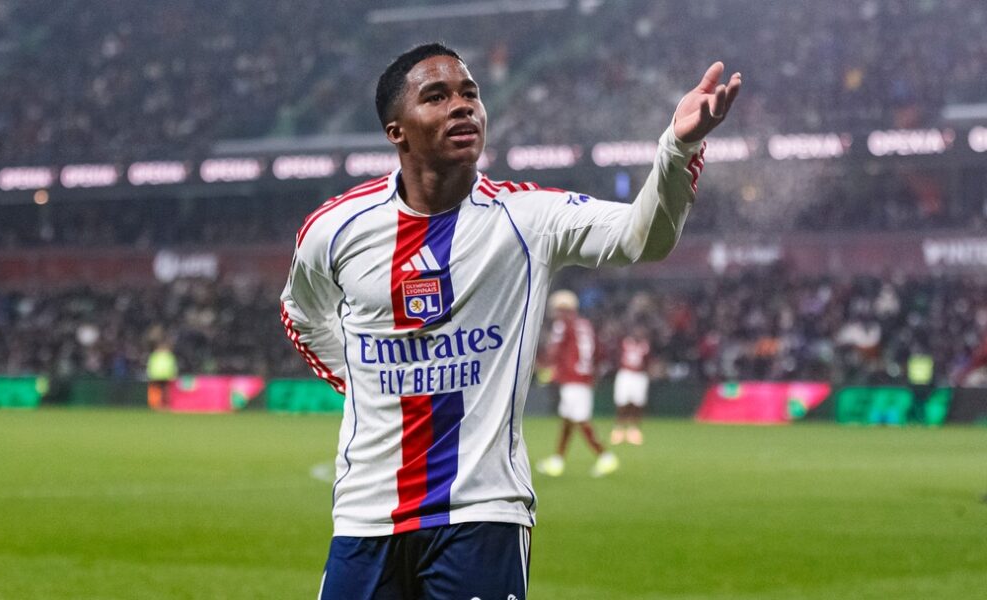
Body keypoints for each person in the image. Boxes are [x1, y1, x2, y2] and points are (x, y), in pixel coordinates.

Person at [280, 42, 740, 600]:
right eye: (437, 96)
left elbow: (642, 237)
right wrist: (358, 381)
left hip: (483, 512)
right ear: (396, 130)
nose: (462, 106)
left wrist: (678, 146)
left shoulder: (527, 218)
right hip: (366, 514)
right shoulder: (336, 230)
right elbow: (300, 313)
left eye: (470, 94)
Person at [536, 290, 619, 477]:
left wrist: (544, 366)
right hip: (584, 377)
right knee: (568, 419)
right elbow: (598, 352)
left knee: (580, 420)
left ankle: (605, 457)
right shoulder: (585, 325)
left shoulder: (563, 324)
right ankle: (557, 461)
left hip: (572, 378)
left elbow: (554, 350)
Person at [610, 324, 652, 446]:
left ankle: (634, 430)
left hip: (639, 375)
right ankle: (619, 428)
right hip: (626, 374)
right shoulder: (625, 343)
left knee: (637, 403)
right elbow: (617, 356)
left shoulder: (645, 346)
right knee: (622, 401)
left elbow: (648, 361)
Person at [146, 340, 178, 411]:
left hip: (165, 375)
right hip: (157, 375)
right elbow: (150, 365)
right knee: (157, 391)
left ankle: (165, 405)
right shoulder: (156, 355)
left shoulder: (168, 355)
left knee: (165, 391)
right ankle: (157, 405)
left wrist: (173, 374)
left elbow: (173, 365)